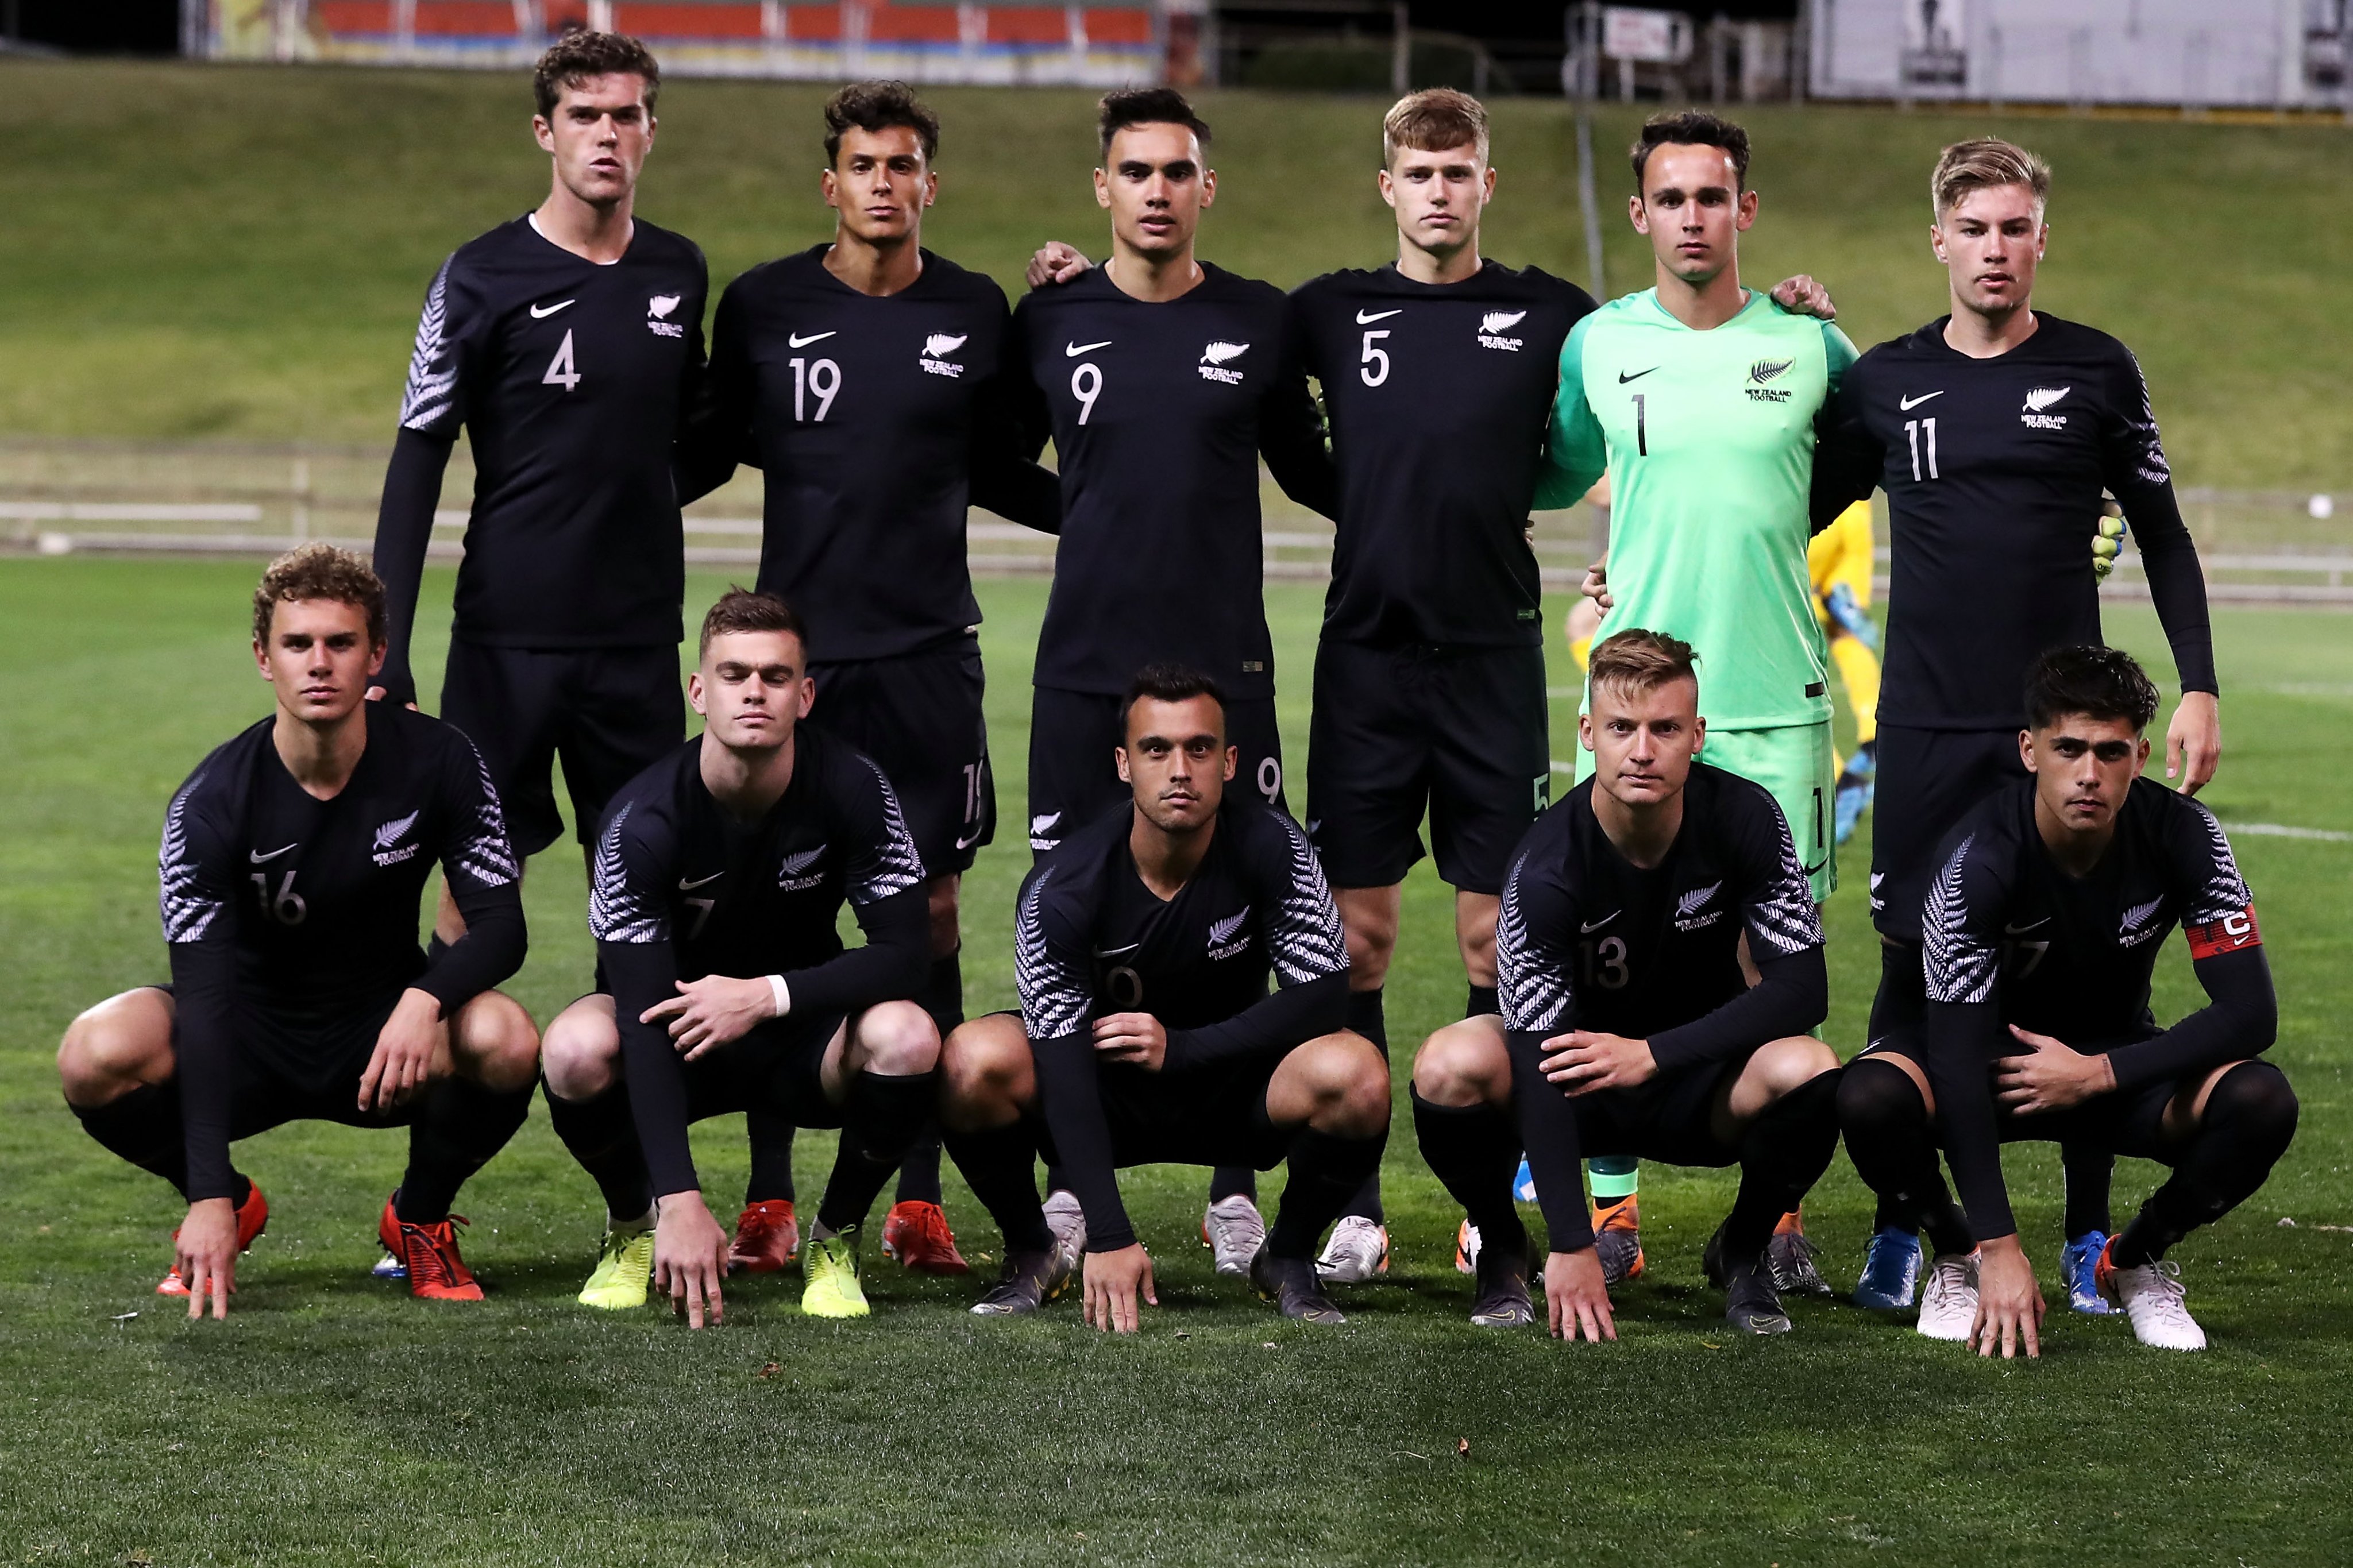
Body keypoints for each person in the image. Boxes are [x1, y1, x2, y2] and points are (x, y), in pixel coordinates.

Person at [1811, 138, 2221, 1317]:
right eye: (1973, 229)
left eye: (2014, 229)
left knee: (2084, 977)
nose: (1994, 250)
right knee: (1907, 977)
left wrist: (2194, 685)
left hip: (2061, 729)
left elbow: (2163, 534)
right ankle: (1919, 1233)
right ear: (1936, 240)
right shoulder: (1881, 378)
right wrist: (1798, 336)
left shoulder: (2096, 368)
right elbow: (1783, 497)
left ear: (2041, 239)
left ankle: (2089, 1242)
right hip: (1931, 729)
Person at [687, 80, 1061, 1279]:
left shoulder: (973, 310)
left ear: (927, 184)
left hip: (927, 660)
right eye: (863, 165)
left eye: (903, 166)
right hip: (802, 666)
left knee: (932, 914)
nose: (883, 185)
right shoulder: (760, 306)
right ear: (831, 184)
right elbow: (706, 445)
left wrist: (1108, 509)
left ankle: (915, 1196)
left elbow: (1010, 461)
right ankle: (763, 1197)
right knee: (770, 914)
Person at [367, 30, 708, 1277]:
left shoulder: (680, 273)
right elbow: (417, 457)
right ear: (545, 133)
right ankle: (424, 1203)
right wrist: (386, 644)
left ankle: (642, 1198)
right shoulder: (479, 276)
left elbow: (696, 440)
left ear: (650, 131)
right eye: (584, 115)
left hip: (635, 654)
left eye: (627, 114)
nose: (607, 135)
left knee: (650, 919)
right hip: (501, 650)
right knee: (474, 923)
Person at [1002, 87, 1338, 1264]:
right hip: (1081, 673)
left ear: (1206, 189)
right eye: (1133, 172)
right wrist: (1092, 515)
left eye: (1175, 172)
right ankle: (1070, 1177)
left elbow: (1313, 471)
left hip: (1224, 677)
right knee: (1071, 919)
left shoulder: (1258, 320)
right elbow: (991, 458)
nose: (1155, 191)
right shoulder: (1046, 316)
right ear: (1102, 188)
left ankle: (1233, 1181)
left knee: (1237, 918)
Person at [1531, 109, 1856, 1291]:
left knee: (1773, 964)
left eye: (1710, 198)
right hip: (1634, 707)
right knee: (1602, 952)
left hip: (1773, 706)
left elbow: (1863, 463)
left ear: (1744, 212)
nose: (1690, 218)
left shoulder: (1816, 346)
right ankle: (1606, 1208)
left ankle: (1770, 1217)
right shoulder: (1595, 345)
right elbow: (1551, 466)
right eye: (1668, 199)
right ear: (1639, 215)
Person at [57, 546, 539, 1316]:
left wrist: (425, 999)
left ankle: (418, 1216)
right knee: (94, 1051)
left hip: (384, 1039)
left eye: (341, 643)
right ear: (263, 657)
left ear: (376, 652)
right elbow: (206, 998)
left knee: (505, 1036)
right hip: (248, 1036)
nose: (320, 663)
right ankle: (237, 1207)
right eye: (297, 644)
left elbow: (501, 926)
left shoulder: (442, 758)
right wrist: (209, 1190)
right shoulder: (211, 802)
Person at [1835, 646, 2292, 1354]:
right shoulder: (1974, 862)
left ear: (2140, 756)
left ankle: (2133, 1261)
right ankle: (1956, 1254)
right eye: (2068, 749)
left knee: (2261, 1102)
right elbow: (1953, 1059)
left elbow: (2250, 1014)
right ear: (2029, 750)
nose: (2088, 774)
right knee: (1867, 1096)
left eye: (2110, 752)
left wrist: (2098, 1072)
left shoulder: (2187, 834)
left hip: (2113, 1069)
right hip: (1988, 1072)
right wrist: (1998, 1244)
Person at [1413, 630, 1841, 1337]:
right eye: (1621, 728)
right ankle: (1503, 1247)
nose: (1642, 750)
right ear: (1589, 733)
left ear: (1696, 735)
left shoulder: (1746, 816)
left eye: (1664, 728)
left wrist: (1654, 1053)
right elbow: (1532, 1053)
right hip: (1574, 1084)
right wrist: (1574, 1243)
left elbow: (1804, 990)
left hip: (1700, 1082)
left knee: (1811, 1068)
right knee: (1449, 1063)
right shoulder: (1544, 867)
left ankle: (1741, 1249)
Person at [937, 666, 1388, 1330]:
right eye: (1156, 749)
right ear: (1123, 764)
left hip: (1232, 1087)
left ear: (1230, 762)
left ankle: (1286, 1257)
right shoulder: (1061, 886)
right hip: (1105, 1091)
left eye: (1199, 748)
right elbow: (1059, 1068)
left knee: (1357, 1075)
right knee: (970, 1059)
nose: (1180, 769)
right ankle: (1034, 1249)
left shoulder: (1274, 845)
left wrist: (1182, 1049)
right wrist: (1112, 1235)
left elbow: (1323, 996)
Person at [538, 591, 939, 1326]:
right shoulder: (640, 823)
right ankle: (633, 1229)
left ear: (805, 694)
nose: (754, 690)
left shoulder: (853, 786)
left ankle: (834, 1239)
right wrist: (680, 1198)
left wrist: (765, 996)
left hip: (800, 1037)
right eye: (733, 674)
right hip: (678, 1034)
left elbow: (908, 954)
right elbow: (639, 1013)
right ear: (698, 692)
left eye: (776, 675)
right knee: (572, 1047)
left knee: (907, 1033)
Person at [1808, 500, 1883, 844]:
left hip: (1806, 511)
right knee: (1847, 636)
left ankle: (1838, 778)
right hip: (1853, 510)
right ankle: (1875, 731)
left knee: (1796, 651)